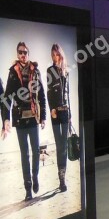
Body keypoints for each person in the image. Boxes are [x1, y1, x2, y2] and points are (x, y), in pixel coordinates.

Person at [4, 42, 46, 201]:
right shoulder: (12, 73)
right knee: (24, 154)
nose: (23, 55)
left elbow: (41, 95)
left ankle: (35, 175)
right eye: (20, 52)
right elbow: (6, 97)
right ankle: (28, 188)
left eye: (25, 52)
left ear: (28, 54)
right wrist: (6, 119)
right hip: (20, 118)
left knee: (36, 151)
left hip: (34, 117)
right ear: (17, 54)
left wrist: (43, 118)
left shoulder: (36, 71)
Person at [47, 44, 70, 192]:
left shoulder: (66, 71)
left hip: (65, 112)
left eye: (57, 54)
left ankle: (63, 177)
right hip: (55, 113)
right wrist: (52, 109)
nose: (55, 57)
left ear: (61, 55)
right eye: (53, 54)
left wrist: (71, 114)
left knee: (65, 146)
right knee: (59, 145)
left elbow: (68, 93)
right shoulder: (50, 71)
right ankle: (60, 178)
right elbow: (49, 93)